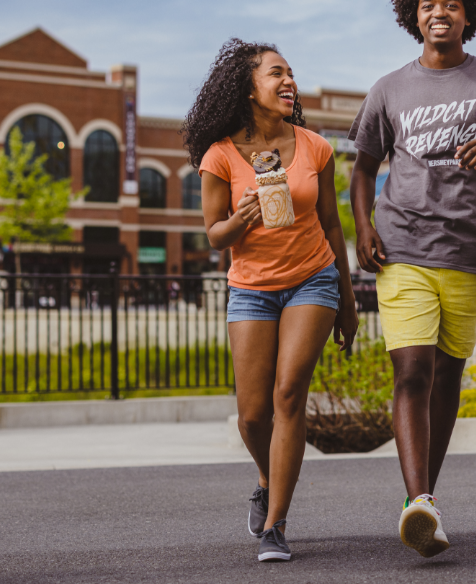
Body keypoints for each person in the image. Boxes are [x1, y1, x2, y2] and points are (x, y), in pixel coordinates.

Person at [348, 0, 476, 558]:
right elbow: (363, 167)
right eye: (428, 5)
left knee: (448, 379)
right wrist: (363, 227)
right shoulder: (389, 88)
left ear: (468, 13)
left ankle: (424, 495)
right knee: (413, 371)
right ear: (413, 14)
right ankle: (419, 499)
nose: (439, 13)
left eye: (450, 5)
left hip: (470, 251)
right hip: (402, 247)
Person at [184, 39, 359, 563]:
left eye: (291, 74)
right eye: (276, 74)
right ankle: (266, 478)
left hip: (313, 279)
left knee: (289, 396)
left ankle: (276, 525)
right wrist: (244, 217)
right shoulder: (219, 155)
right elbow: (215, 235)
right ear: (248, 87)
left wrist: (348, 303)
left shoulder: (315, 147)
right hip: (252, 289)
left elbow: (331, 224)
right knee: (252, 415)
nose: (289, 82)